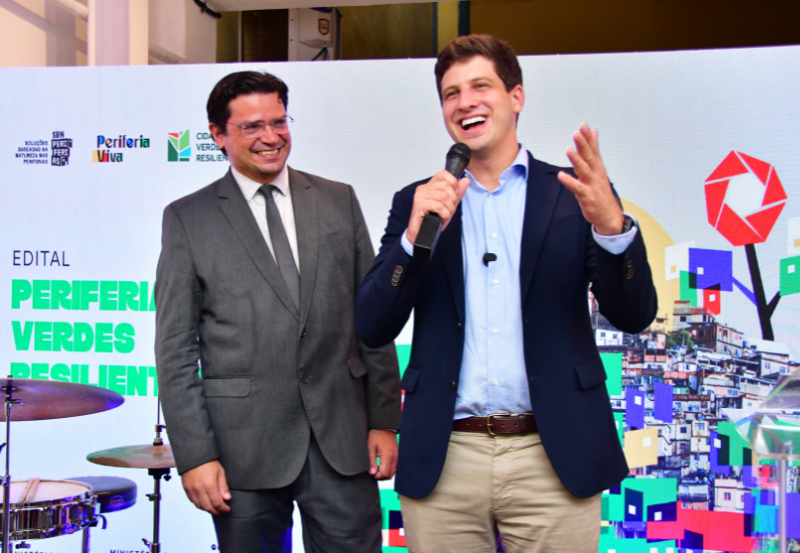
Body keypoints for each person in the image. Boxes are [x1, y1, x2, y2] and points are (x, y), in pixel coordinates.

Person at [355, 35, 657, 553]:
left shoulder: (572, 194)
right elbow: (372, 324)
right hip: (446, 456)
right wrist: (411, 239)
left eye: (480, 86)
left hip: (554, 454)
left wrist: (612, 229)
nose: (464, 102)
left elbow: (633, 315)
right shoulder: (418, 201)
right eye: (451, 94)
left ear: (516, 97)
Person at [155, 70, 401, 553]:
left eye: (278, 121)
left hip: (343, 440)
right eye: (251, 126)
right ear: (218, 134)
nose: (270, 137)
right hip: (242, 451)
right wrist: (196, 455)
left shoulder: (338, 200)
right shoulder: (187, 219)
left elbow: (372, 320)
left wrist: (384, 420)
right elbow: (175, 349)